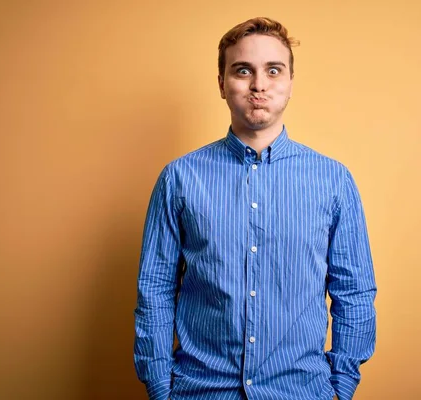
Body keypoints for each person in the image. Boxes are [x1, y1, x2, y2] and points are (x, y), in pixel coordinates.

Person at [134, 17, 377, 400]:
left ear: (290, 83)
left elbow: (354, 291)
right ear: (221, 83)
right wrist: (160, 387)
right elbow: (156, 288)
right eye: (243, 70)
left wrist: (341, 386)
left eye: (273, 71)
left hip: (302, 391)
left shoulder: (333, 180)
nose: (259, 84)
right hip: (200, 391)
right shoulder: (179, 179)